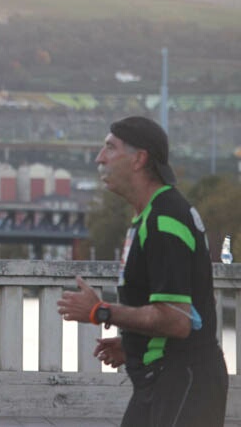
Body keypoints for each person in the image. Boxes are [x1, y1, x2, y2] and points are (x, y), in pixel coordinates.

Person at [56, 116, 227, 427]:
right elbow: (185, 306)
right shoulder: (150, 217)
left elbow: (176, 319)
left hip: (183, 382)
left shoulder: (165, 220)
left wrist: (100, 311)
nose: (99, 158)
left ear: (139, 159)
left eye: (110, 148)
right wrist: (135, 343)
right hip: (162, 379)